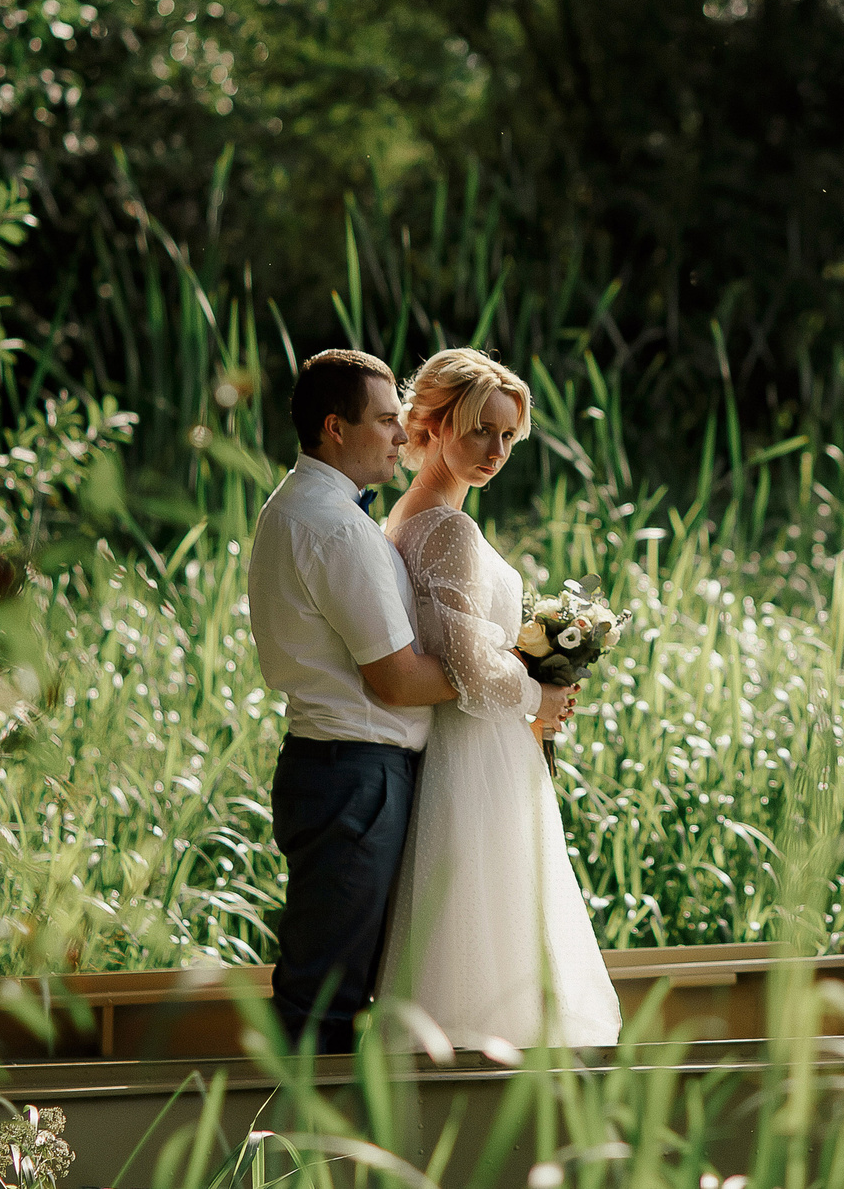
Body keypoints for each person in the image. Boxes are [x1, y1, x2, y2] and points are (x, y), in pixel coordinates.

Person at [377, 348, 620, 1050]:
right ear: (438, 422)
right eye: (482, 428)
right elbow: (473, 671)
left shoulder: (407, 514)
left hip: (460, 748)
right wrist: (539, 694)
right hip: (478, 753)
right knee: (493, 940)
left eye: (509, 436)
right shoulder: (448, 527)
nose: (496, 449)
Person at [246, 348, 476, 1054]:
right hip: (357, 777)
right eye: (383, 420)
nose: (400, 436)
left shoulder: (300, 507)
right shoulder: (337, 527)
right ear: (333, 427)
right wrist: (512, 677)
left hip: (336, 769)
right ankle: (294, 1149)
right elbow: (399, 680)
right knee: (327, 1001)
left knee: (330, 986)